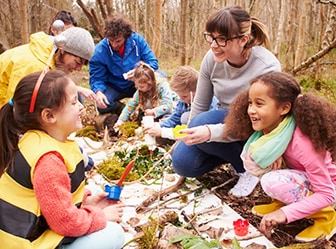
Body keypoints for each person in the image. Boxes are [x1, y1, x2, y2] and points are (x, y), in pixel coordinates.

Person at [0, 70, 125, 249]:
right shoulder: (48, 160)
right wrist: (100, 216)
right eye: (74, 102)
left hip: (29, 233)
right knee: (113, 234)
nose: (81, 107)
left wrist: (85, 203)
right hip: (26, 243)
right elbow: (65, 222)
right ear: (49, 116)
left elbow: (47, 200)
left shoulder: (35, 140)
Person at [171, 5, 281, 197]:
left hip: (254, 128)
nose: (214, 45)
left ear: (243, 39)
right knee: (183, 163)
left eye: (222, 39)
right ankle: (227, 154)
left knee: (202, 125)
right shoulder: (211, 59)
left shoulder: (266, 67)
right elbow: (200, 105)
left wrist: (208, 131)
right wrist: (189, 134)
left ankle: (246, 168)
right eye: (211, 37)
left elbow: (261, 121)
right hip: (222, 122)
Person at [223, 72, 336, 242]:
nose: (251, 110)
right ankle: (282, 201)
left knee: (273, 180)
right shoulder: (272, 131)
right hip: (307, 179)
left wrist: (284, 214)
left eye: (259, 104)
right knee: (265, 167)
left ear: (284, 108)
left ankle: (326, 218)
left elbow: (327, 193)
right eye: (250, 103)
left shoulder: (302, 142)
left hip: (329, 190)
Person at [0, 26, 97, 107]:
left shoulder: (49, 58)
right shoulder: (34, 65)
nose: (78, 69)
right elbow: (15, 107)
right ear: (63, 50)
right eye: (77, 62)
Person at [89, 14, 159, 115]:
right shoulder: (100, 51)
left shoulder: (137, 41)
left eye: (118, 41)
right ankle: (122, 109)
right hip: (114, 86)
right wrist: (98, 92)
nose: (114, 45)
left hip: (137, 83)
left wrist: (139, 71)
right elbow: (96, 78)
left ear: (126, 36)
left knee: (160, 77)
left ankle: (146, 110)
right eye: (111, 41)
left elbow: (153, 63)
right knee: (102, 104)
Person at [146, 65, 217, 140]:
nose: (182, 99)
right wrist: (158, 126)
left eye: (184, 96)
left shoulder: (209, 102)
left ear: (198, 90)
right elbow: (174, 119)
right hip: (185, 131)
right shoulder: (183, 102)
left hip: (203, 134)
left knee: (185, 117)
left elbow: (195, 128)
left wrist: (163, 132)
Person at [114, 62, 173, 127]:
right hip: (152, 109)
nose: (139, 89)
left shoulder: (162, 86)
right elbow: (131, 105)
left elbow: (168, 105)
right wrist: (120, 121)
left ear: (150, 83)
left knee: (168, 117)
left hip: (168, 109)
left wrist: (153, 111)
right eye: (137, 86)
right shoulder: (140, 91)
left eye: (141, 87)